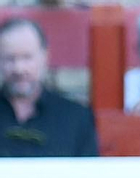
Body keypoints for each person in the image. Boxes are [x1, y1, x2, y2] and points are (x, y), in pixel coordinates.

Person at [1, 17, 97, 157]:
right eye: (10, 59)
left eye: (27, 57)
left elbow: (90, 176)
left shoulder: (76, 118)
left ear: (45, 56)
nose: (19, 69)